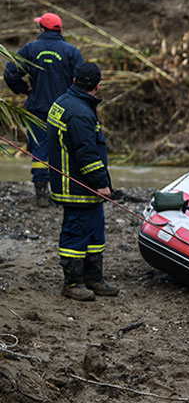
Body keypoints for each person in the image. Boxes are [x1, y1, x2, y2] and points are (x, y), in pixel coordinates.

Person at [46, 62, 118, 301]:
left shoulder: (66, 102)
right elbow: (86, 152)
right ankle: (73, 283)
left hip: (78, 183)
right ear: (97, 86)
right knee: (76, 232)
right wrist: (101, 183)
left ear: (75, 80)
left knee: (95, 233)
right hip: (77, 186)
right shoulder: (79, 112)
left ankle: (93, 278)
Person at [4, 12, 84, 207]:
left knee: (40, 150)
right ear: (60, 30)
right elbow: (81, 81)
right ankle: (65, 192)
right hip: (65, 110)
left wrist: (24, 90)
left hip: (38, 109)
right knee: (66, 149)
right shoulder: (71, 51)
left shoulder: (31, 49)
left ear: (42, 29)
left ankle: (41, 194)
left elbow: (10, 72)